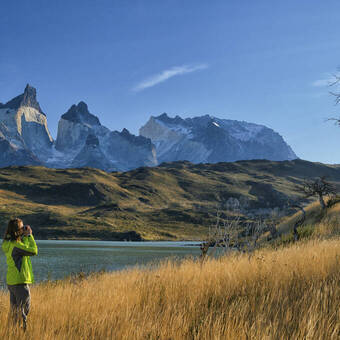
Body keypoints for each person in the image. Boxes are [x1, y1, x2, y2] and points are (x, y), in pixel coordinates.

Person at [2, 218, 38, 331]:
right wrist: (29, 236)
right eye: (22, 227)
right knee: (24, 311)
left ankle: (11, 334)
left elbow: (24, 249)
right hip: (20, 282)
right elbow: (33, 251)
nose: (24, 229)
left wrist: (24, 237)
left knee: (14, 312)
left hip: (12, 282)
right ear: (17, 230)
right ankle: (21, 333)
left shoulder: (8, 243)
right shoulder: (17, 246)